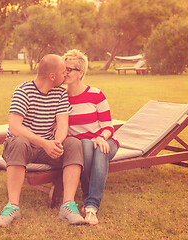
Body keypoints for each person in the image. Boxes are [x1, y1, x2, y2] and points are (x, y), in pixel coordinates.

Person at [0, 54, 85, 228]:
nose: (65, 75)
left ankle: (68, 205)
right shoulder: (23, 90)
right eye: (63, 72)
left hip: (47, 149)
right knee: (19, 141)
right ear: (52, 76)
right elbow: (14, 127)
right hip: (23, 148)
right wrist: (44, 143)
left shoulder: (60, 92)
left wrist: (56, 143)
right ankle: (12, 206)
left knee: (74, 143)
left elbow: (63, 123)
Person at [62, 49, 119, 225]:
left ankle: (91, 206)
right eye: (63, 69)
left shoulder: (96, 94)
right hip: (80, 146)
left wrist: (102, 137)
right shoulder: (60, 97)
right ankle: (89, 203)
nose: (65, 73)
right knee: (86, 144)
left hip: (104, 139)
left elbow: (108, 125)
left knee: (98, 148)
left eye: (69, 69)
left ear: (81, 73)